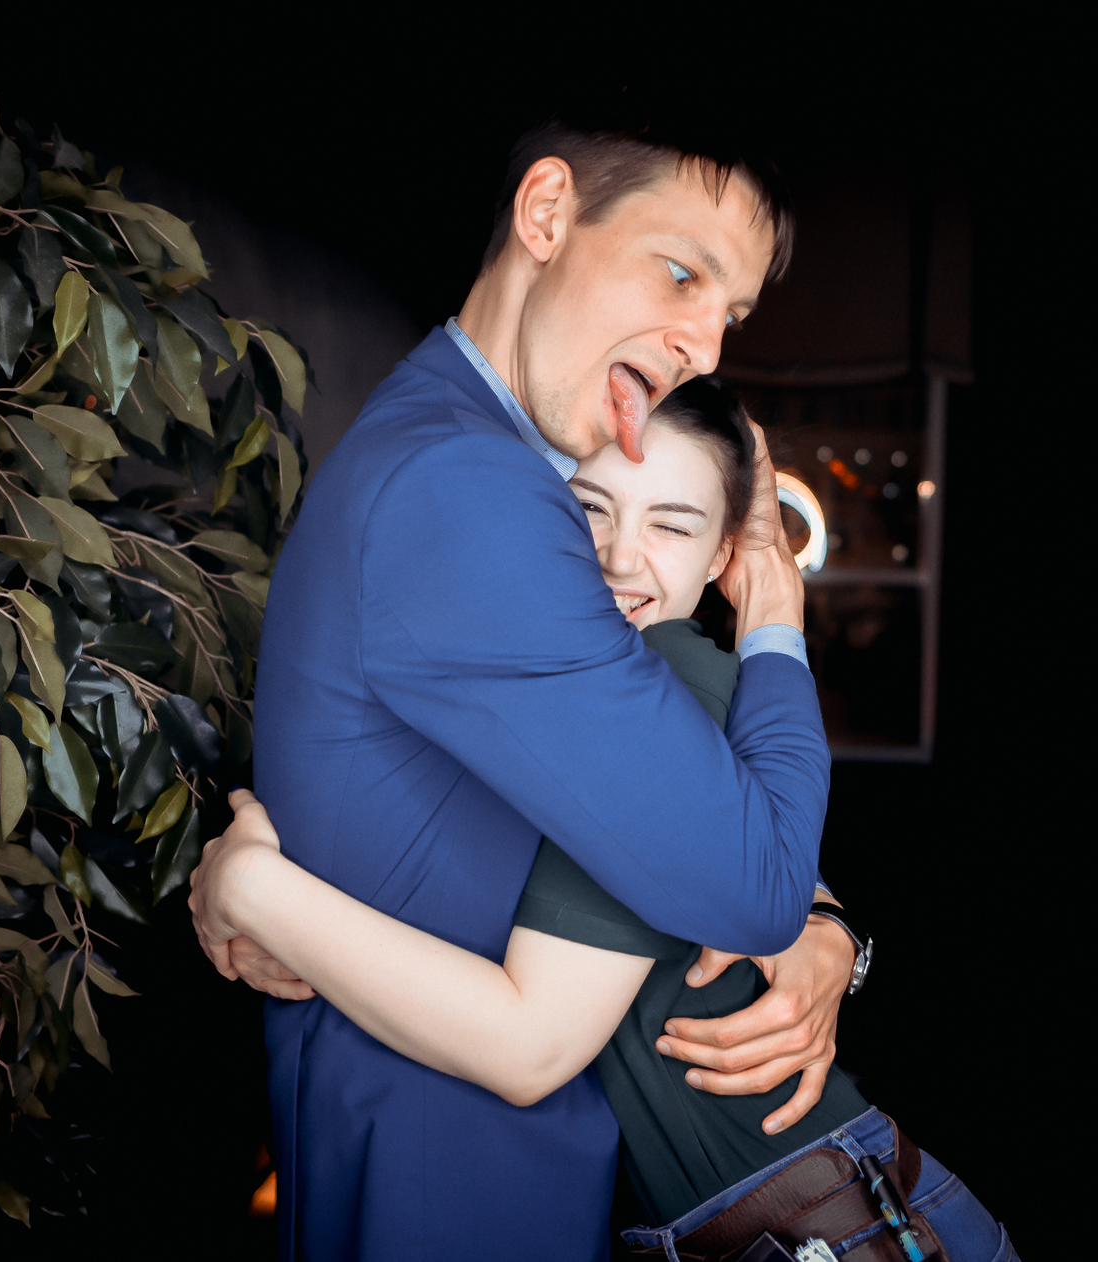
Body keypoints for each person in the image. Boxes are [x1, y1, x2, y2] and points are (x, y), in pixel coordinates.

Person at [192, 108, 862, 1260]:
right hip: (450, 1180)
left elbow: (622, 782)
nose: (705, 345)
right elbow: (746, 880)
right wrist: (774, 612)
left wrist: (829, 925)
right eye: (682, 272)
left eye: (731, 312)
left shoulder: (463, 450)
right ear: (548, 212)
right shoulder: (472, 490)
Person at [195, 380, 1014, 1260]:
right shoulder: (546, 684)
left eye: (672, 525)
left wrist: (254, 888)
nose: (621, 558)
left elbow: (530, 1045)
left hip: (835, 1219)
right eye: (589, 508)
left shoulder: (672, 679)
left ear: (722, 556)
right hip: (755, 1216)